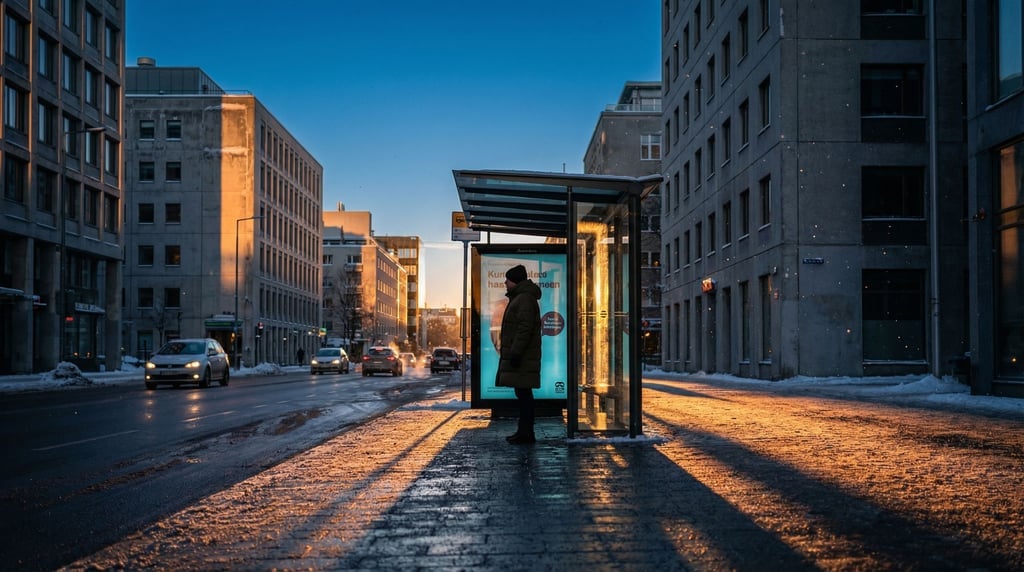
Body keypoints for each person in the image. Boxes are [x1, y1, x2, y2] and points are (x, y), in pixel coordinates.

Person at [495, 264, 542, 444]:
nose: (505, 282)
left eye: (507, 279)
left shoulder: (523, 299)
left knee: (524, 395)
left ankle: (526, 433)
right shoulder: (522, 298)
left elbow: (524, 329)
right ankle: (524, 431)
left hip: (523, 357)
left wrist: (515, 352)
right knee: (523, 394)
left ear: (514, 280)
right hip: (523, 356)